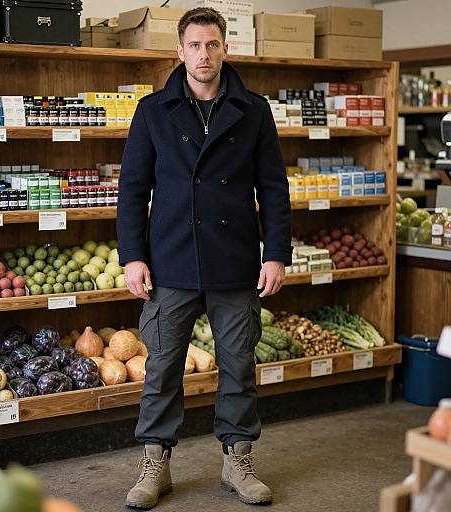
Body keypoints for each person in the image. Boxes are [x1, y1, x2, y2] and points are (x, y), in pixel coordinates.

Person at [117, 7, 292, 509]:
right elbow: (132, 190)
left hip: (235, 259)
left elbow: (274, 190)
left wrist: (275, 253)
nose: (203, 54)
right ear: (179, 50)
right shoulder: (152, 111)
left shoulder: (254, 110)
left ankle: (237, 459)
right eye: (194, 45)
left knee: (238, 366)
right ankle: (155, 463)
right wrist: (132, 256)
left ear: (224, 49)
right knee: (163, 366)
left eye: (211, 44)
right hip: (169, 257)